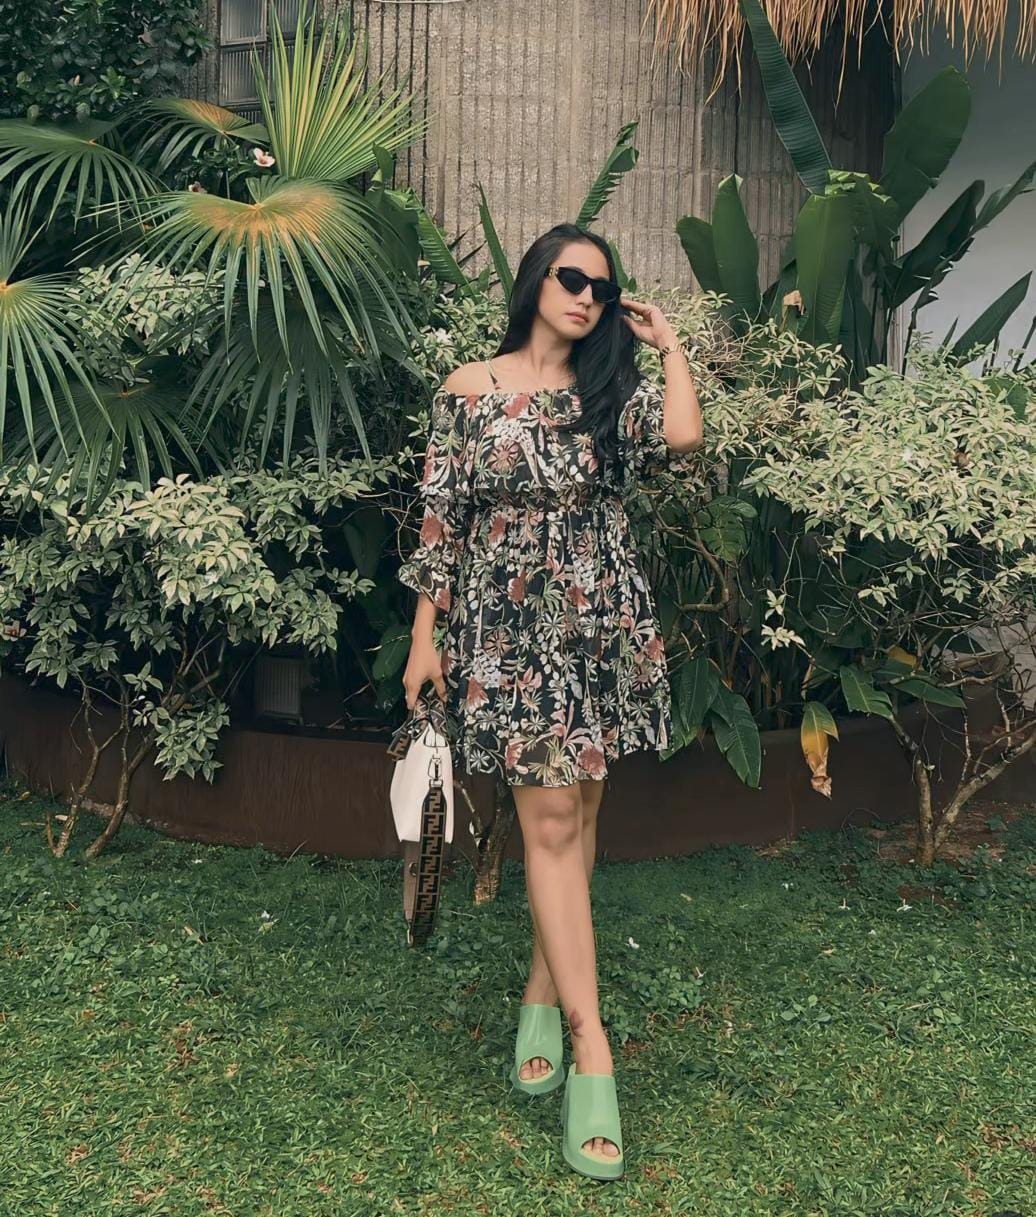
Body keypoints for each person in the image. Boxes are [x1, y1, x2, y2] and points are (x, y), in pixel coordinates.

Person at [398, 221, 703, 1179]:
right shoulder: (466, 390)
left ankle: (540, 985)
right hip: (509, 632)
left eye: (603, 290)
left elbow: (684, 435)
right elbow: (441, 522)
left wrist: (670, 347)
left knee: (581, 813)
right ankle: (590, 1046)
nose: (586, 298)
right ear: (537, 278)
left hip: (600, 621)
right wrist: (425, 634)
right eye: (573, 278)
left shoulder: (607, 392)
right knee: (555, 820)